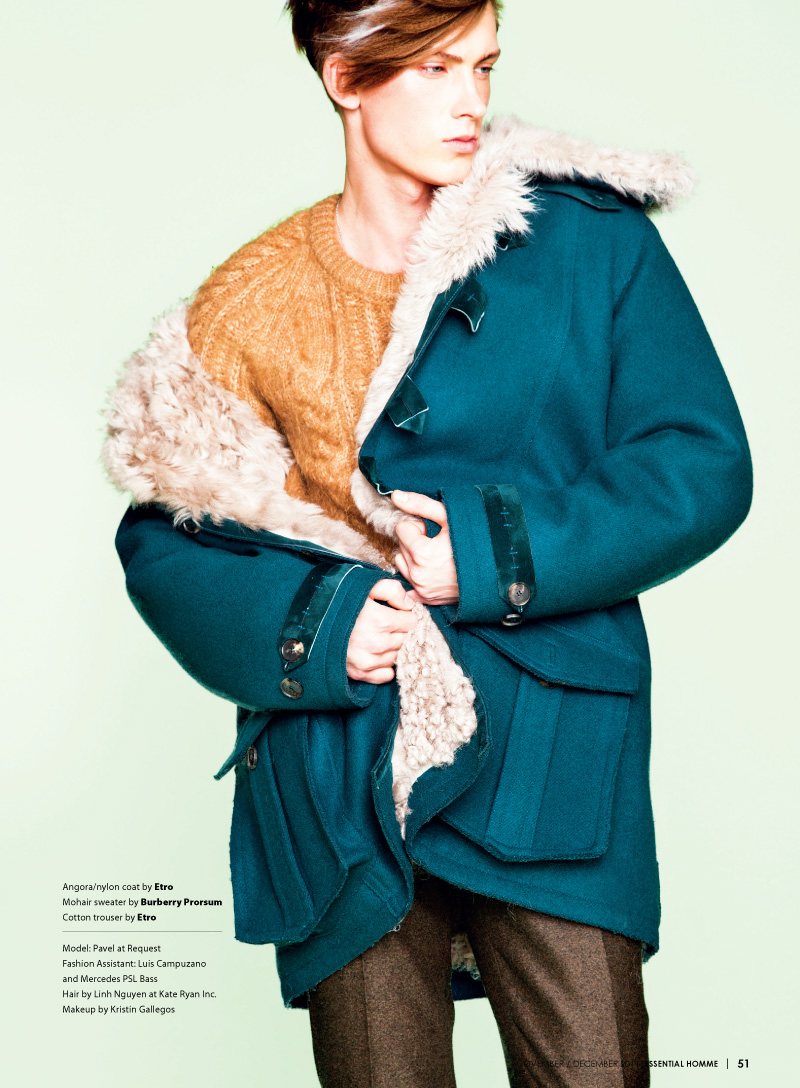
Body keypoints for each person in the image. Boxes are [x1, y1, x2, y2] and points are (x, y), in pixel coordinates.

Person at [100, 1, 753, 1084]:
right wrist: (319, 625)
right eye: (434, 68)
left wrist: (498, 553)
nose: (471, 101)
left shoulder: (586, 240)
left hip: (547, 754)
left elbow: (699, 461)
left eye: (483, 66)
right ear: (344, 77)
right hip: (338, 780)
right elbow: (169, 534)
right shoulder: (251, 298)